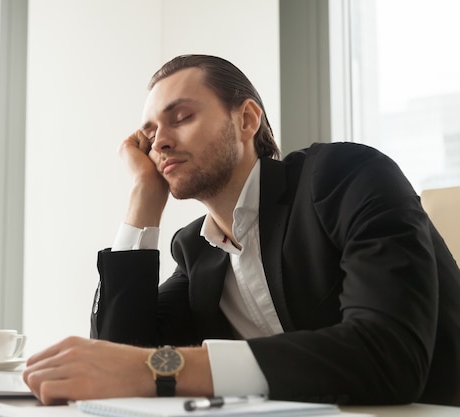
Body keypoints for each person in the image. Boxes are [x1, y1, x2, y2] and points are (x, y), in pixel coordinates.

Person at [23, 54, 460, 407]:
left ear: (247, 119)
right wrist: (143, 197)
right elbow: (120, 356)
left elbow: (389, 357)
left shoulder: (344, 178)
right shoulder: (197, 249)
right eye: (150, 133)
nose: (158, 143)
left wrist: (165, 369)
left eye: (181, 117)